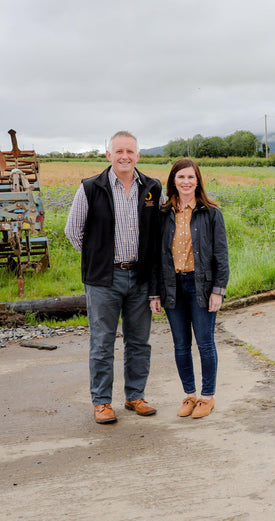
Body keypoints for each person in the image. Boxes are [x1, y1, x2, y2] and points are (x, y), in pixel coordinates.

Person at [65, 131, 162, 424]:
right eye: (119, 151)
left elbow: (157, 236)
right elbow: (73, 231)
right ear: (108, 155)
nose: (125, 156)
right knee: (102, 341)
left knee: (139, 342)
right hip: (104, 279)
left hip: (140, 277)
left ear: (138, 156)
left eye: (130, 151)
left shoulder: (152, 188)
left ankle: (135, 396)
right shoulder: (91, 188)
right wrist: (100, 259)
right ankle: (102, 402)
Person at [150, 158, 228, 419]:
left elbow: (221, 256)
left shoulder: (211, 213)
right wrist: (155, 293)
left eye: (190, 177)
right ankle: (190, 395)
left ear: (198, 181)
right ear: (173, 180)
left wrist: (218, 290)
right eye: (181, 177)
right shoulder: (163, 215)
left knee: (205, 343)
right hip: (173, 286)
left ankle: (207, 397)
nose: (186, 182)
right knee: (181, 345)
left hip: (201, 286)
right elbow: (155, 257)